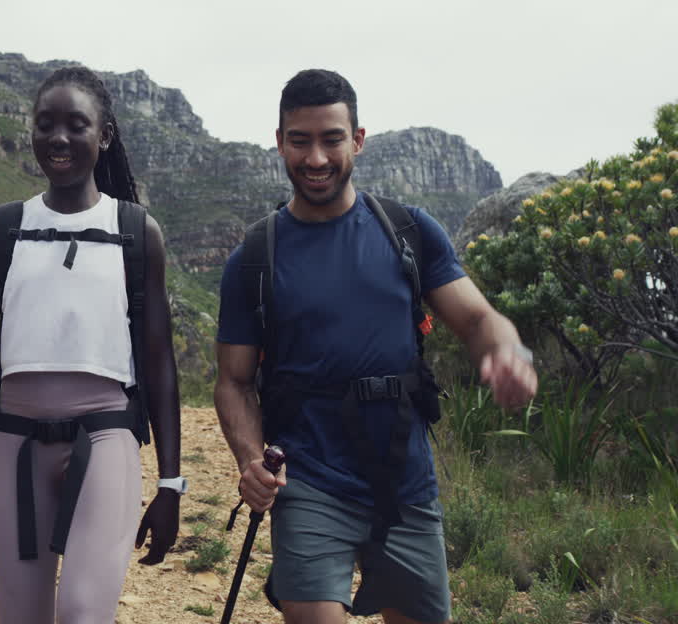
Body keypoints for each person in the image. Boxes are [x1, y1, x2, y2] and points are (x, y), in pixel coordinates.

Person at [213, 69, 538, 624]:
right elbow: (234, 380)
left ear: (357, 140)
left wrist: (507, 351)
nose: (316, 158)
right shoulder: (253, 259)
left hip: (404, 481)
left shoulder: (409, 232)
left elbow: (479, 318)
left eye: (332, 139)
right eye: (300, 140)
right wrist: (249, 459)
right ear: (280, 142)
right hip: (309, 479)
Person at [0, 66, 182, 623]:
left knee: (83, 614)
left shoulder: (135, 231)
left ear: (103, 135)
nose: (58, 138)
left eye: (76, 125)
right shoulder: (2, 229)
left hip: (106, 435)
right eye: (46, 124)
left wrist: (171, 484)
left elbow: (158, 362)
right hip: (16, 444)